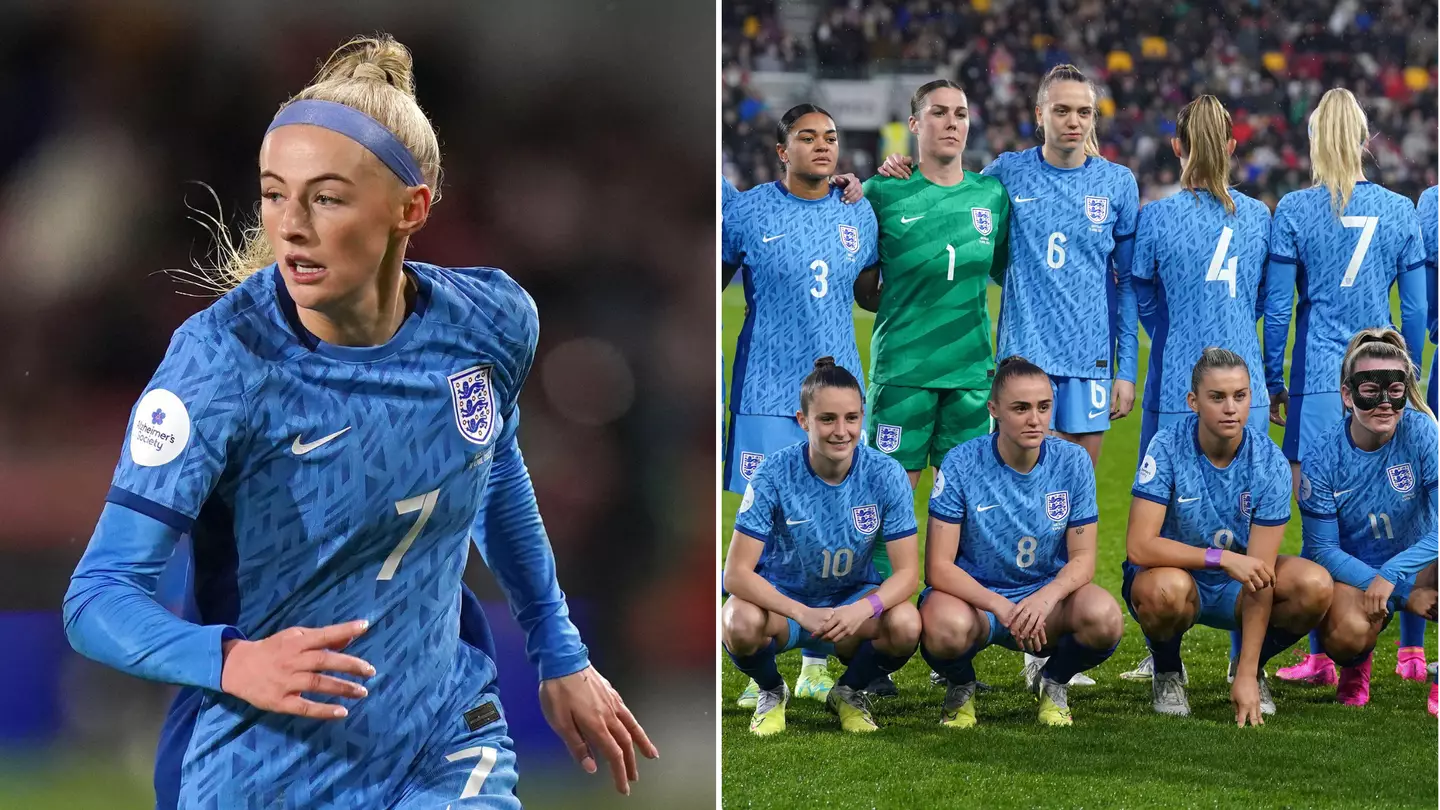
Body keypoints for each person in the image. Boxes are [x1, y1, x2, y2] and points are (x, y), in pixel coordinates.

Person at [61, 36, 655, 808]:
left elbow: (490, 462)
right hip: (259, 762)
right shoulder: (219, 364)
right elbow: (98, 597)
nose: (291, 225)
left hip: (442, 738)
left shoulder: (491, 322)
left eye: (328, 197)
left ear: (411, 209)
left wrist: (558, 650)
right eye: (275, 194)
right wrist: (232, 660)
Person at [874, 64, 1140, 469]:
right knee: (1016, 486)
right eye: (1062, 110)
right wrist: (904, 167)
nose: (1074, 121)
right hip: (1023, 356)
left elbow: (1126, 285)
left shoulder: (1117, 183)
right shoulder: (1007, 173)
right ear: (1039, 114)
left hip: (1090, 360)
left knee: (1076, 490)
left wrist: (1128, 370)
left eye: (1084, 112)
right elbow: (956, 199)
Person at [1264, 88, 1427, 686]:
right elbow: (1413, 315)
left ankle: (1323, 655)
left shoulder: (1295, 210)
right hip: (1386, 378)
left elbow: (1279, 310)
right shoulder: (1400, 210)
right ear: (1364, 139)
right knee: (1407, 506)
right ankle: (1412, 652)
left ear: (1313, 141)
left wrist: (1273, 379)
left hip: (1317, 385)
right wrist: (1408, 382)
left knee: (1321, 521)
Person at [722, 105, 880, 707]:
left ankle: (818, 658)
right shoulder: (749, 210)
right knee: (763, 528)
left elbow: (868, 291)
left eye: (832, 137)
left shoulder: (856, 211)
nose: (823, 146)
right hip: (765, 391)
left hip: (839, 393)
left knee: (835, 519)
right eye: (807, 137)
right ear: (781, 151)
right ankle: (760, 657)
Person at [1120, 96, 1274, 683]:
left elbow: (1141, 292)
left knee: (1157, 522)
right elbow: (1265, 300)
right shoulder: (1260, 216)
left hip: (1175, 385)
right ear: (1234, 148)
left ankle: (1164, 660)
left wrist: (1169, 331)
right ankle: (1247, 662)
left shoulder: (1156, 216)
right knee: (1251, 515)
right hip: (1247, 387)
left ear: (1177, 147)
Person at [1125, 348, 1333, 724]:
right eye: (1217, 397)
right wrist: (1221, 558)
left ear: (1251, 397)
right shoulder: (1167, 446)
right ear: (1193, 401)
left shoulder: (1269, 461)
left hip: (1238, 587)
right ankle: (1168, 670)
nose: (1230, 408)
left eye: (1240, 396)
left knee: (1314, 585)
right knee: (1164, 592)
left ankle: (1249, 669)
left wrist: (1247, 674)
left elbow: (1260, 575)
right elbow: (1139, 547)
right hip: (1173, 576)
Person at [721, 358, 921, 735]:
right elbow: (736, 574)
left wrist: (864, 608)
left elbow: (909, 573)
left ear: (863, 416)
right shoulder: (773, 474)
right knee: (737, 621)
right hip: (783, 602)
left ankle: (848, 691)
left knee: (906, 624)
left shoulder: (886, 473)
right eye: (827, 419)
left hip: (850, 602)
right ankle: (771, 690)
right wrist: (801, 613)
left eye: (851, 418)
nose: (841, 431)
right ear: (803, 420)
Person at [919, 356, 1122, 728]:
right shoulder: (961, 462)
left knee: (1104, 617)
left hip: (1045, 604)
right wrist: (1001, 607)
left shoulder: (1073, 462)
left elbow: (1084, 559)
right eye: (1021, 408)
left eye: (1044, 407)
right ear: (994, 409)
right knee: (942, 627)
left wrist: (1046, 597)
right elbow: (938, 567)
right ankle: (961, 685)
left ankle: (1053, 681)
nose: (1035, 419)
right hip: (977, 604)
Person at [851, 79, 1010, 490]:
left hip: (970, 374)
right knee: (888, 500)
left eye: (960, 114)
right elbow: (858, 281)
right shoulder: (882, 192)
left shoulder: (991, 195)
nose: (951, 122)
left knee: (965, 502)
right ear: (915, 124)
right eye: (938, 113)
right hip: (903, 371)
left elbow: (1006, 271)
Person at [1295, 329, 1440, 717]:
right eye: (1369, 389)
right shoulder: (1323, 455)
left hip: (1419, 562)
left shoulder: (1424, 431)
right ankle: (1356, 666)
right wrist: (1403, 594)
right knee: (1346, 636)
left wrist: (1395, 574)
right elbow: (1321, 550)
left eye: (1395, 390)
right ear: (1347, 395)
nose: (1384, 403)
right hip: (1356, 574)